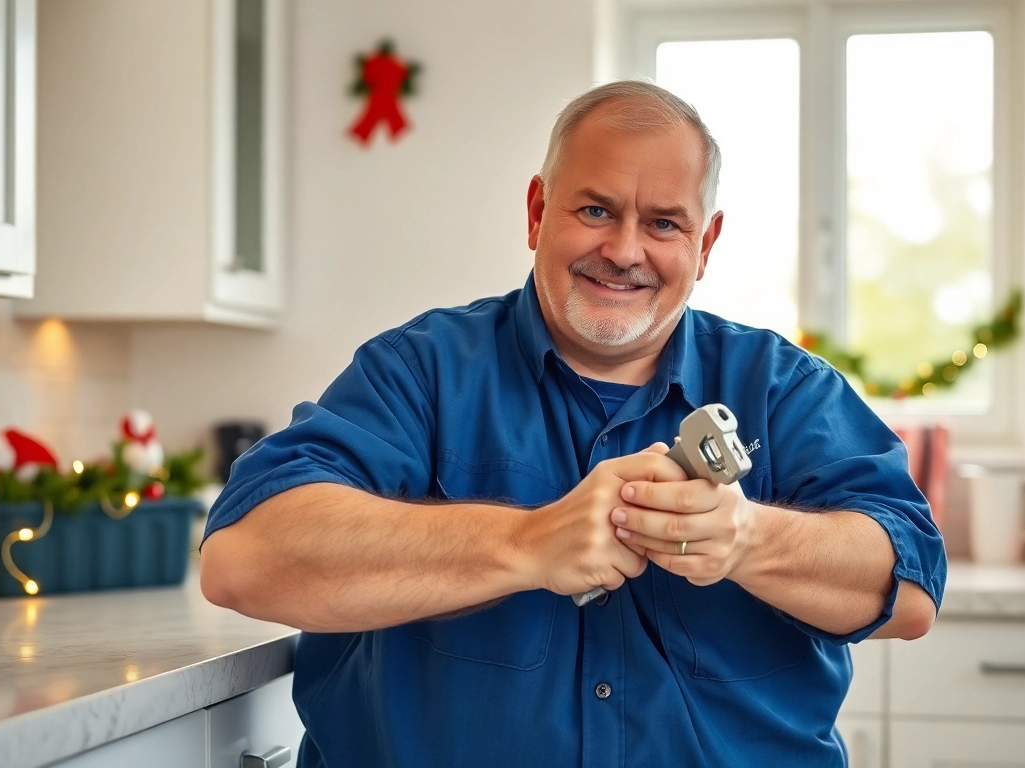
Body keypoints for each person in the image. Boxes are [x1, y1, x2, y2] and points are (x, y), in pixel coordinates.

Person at [200, 80, 946, 768]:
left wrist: (748, 539)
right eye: (595, 211)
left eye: (663, 223)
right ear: (537, 213)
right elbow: (243, 557)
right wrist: (524, 543)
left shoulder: (785, 389)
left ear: (705, 245)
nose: (623, 251)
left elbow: (910, 591)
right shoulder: (421, 372)